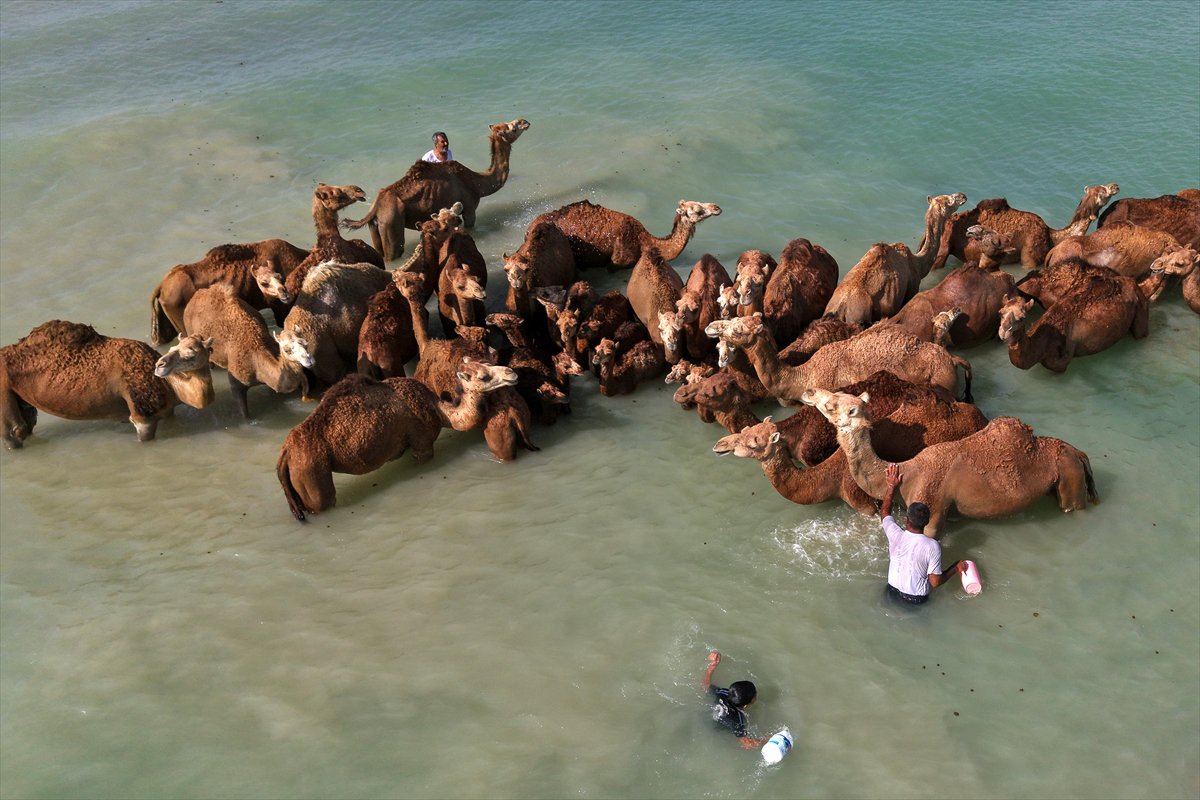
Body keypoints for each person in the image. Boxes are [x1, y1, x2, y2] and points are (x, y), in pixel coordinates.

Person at [880, 463, 965, 605]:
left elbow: (884, 512)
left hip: (890, 592)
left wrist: (891, 486)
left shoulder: (895, 534)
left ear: (907, 520)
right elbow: (935, 582)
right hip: (915, 600)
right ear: (926, 522)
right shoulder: (932, 546)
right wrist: (955, 567)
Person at [701, 651, 770, 749]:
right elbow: (746, 744)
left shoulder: (723, 693)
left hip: (707, 717)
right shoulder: (739, 720)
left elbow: (705, 686)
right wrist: (768, 740)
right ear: (746, 705)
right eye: (755, 695)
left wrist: (712, 665)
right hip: (717, 729)